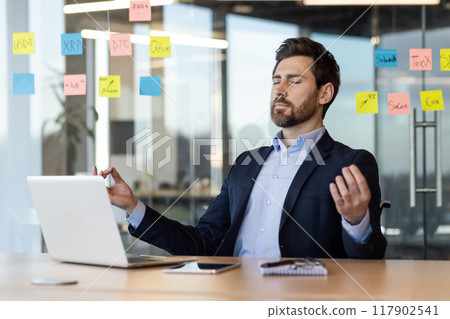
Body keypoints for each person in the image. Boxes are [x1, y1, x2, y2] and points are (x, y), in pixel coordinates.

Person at [94, 37, 387, 259]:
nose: (280, 90)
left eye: (294, 80)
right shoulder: (248, 162)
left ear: (325, 93)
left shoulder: (350, 164)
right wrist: (132, 208)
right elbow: (204, 241)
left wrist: (356, 221)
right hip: (234, 298)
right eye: (276, 80)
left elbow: (370, 260)